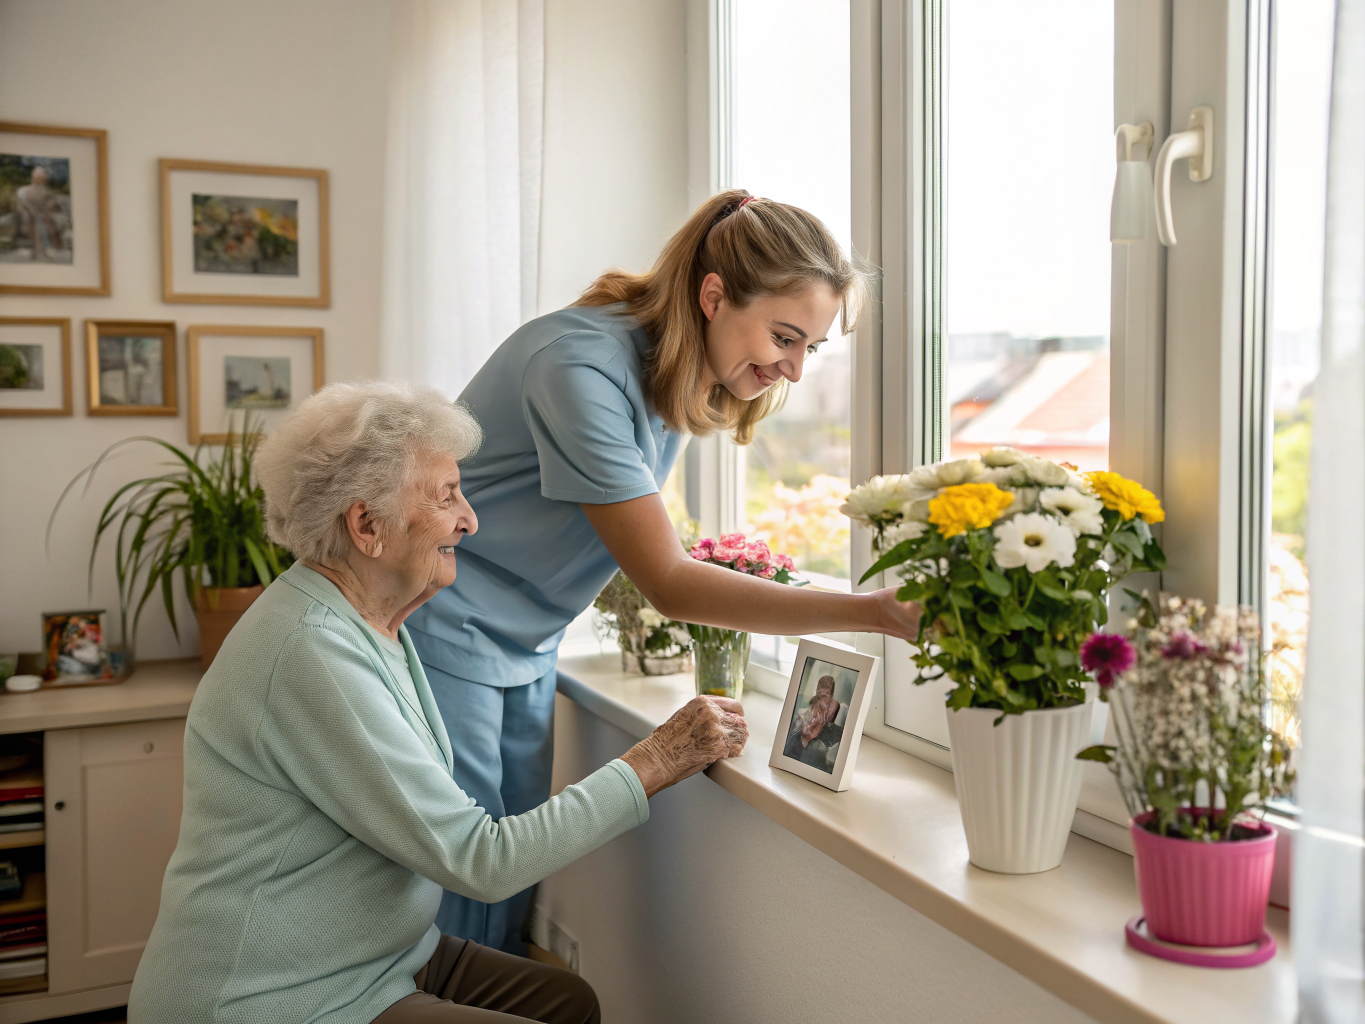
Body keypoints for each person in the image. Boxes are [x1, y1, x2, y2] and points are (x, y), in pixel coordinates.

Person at [127, 381, 749, 1024]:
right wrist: (654, 761)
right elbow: (483, 860)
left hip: (379, 954)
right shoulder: (310, 654)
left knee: (568, 1000)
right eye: (446, 496)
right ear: (366, 526)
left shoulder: (371, 619)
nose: (470, 519)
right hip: (277, 995)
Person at [405, 190, 923, 952]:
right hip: (443, 624)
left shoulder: (670, 377)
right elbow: (668, 580)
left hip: (523, 640)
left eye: (810, 347)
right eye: (786, 336)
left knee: (509, 883)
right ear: (714, 295)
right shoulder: (578, 365)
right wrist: (874, 611)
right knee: (460, 884)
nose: (795, 368)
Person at [783, 674, 844, 770]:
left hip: (821, 735)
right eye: (819, 693)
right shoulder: (814, 702)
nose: (821, 698)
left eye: (825, 695)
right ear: (816, 690)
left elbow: (826, 721)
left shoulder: (834, 704)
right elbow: (808, 715)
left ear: (831, 694)